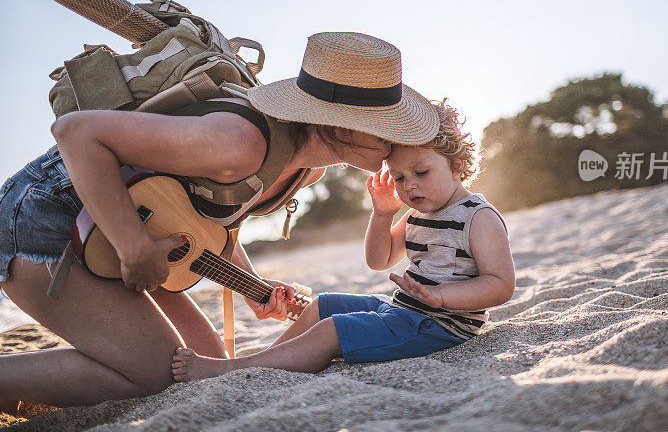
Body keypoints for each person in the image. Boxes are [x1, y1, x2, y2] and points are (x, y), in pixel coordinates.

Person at [0, 32, 440, 412]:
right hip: (44, 216)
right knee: (159, 375)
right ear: (338, 124)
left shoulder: (308, 167)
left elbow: (203, 220)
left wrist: (250, 285)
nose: (395, 141)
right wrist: (133, 245)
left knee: (203, 369)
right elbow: (76, 133)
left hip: (120, 223)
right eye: (383, 126)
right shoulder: (239, 143)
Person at [170, 100, 515, 380]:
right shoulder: (418, 214)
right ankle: (265, 360)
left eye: (421, 173)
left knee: (333, 330)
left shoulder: (477, 216)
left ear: (457, 166)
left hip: (440, 327)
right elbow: (379, 260)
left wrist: (440, 297)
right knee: (322, 305)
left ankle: (231, 369)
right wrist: (382, 214)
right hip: (405, 311)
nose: (409, 186)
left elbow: (500, 284)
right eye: (399, 177)